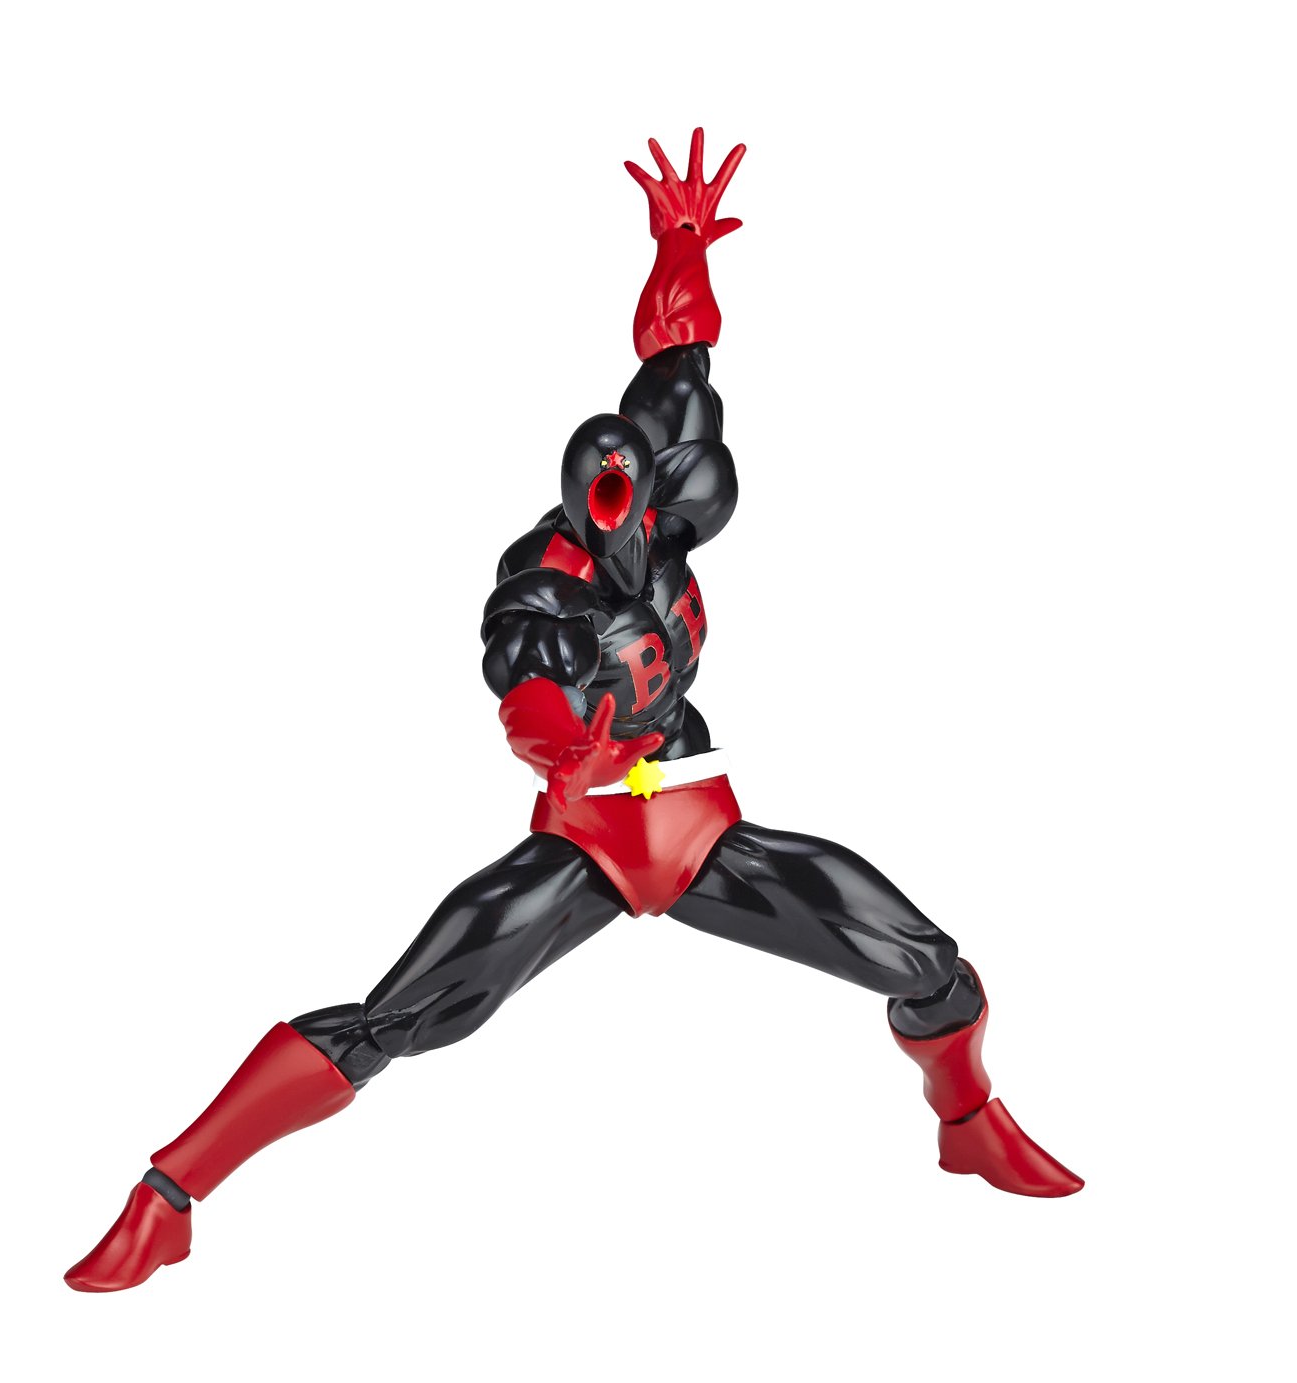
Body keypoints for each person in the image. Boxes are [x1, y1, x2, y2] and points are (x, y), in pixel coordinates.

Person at [66, 129, 1081, 1294]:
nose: (619, 509)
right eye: (602, 498)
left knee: (929, 966)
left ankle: (968, 1126)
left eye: (630, 490)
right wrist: (558, 729)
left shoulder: (670, 515)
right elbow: (529, 687)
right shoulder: (544, 596)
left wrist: (681, 248)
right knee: (397, 1019)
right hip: (588, 844)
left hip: (700, 828)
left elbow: (678, 358)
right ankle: (167, 1198)